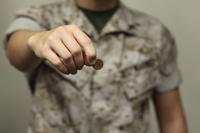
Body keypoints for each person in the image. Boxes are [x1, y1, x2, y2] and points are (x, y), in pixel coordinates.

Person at [4, 0, 188, 132]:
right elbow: (16, 52)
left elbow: (172, 120)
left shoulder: (155, 34)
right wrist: (38, 39)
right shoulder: (41, 18)